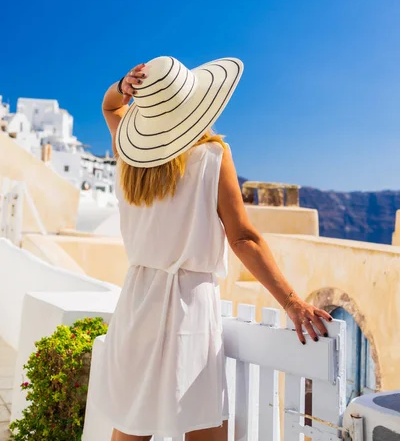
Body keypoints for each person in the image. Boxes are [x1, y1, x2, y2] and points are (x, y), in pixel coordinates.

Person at [92, 56, 332, 441]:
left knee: (131, 429)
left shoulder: (128, 160)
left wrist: (122, 85)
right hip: (190, 308)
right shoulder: (212, 157)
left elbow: (109, 106)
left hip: (137, 303)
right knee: (203, 428)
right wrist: (291, 301)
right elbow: (243, 239)